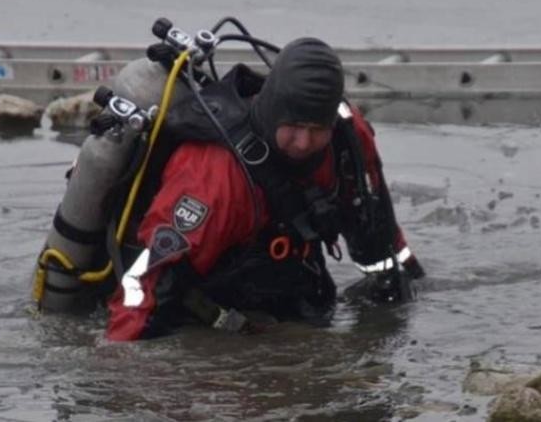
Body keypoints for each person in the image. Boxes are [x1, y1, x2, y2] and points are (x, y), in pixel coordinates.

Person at [106, 37, 425, 341]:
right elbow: (145, 283)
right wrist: (123, 369)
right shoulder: (214, 174)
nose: (304, 143)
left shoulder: (348, 139)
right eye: (295, 126)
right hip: (211, 322)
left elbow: (378, 236)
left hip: (299, 305)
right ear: (272, 109)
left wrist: (412, 282)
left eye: (316, 130)